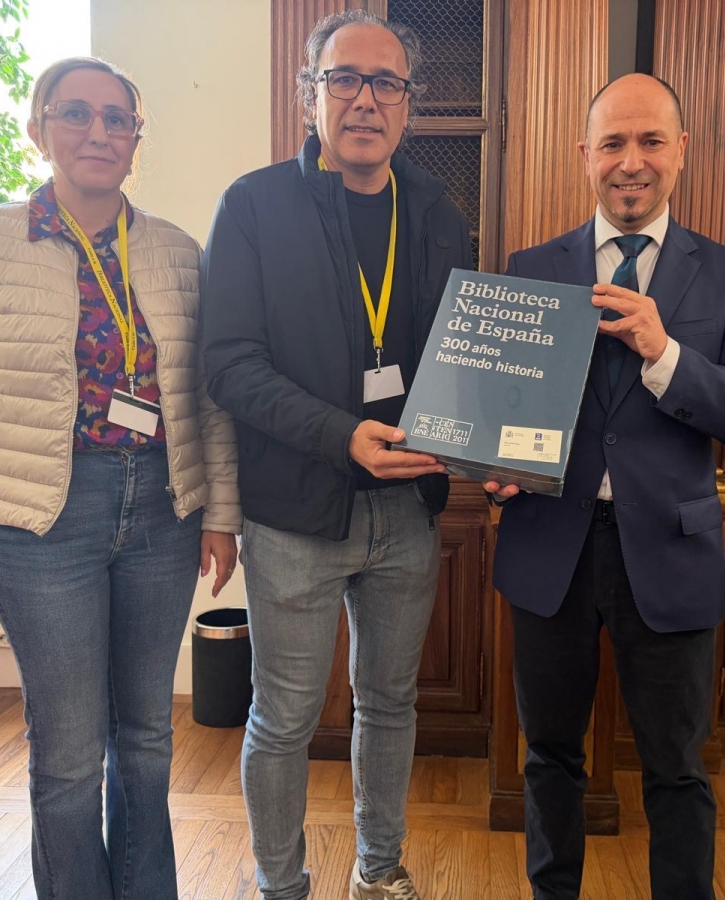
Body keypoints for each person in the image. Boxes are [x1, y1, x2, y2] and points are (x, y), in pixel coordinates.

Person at [0, 57, 241, 900]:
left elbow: (208, 398)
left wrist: (219, 514)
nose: (99, 132)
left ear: (137, 140)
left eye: (118, 119)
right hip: (40, 525)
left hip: (162, 511)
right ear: (39, 128)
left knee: (146, 739)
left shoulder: (173, 251)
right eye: (76, 113)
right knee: (66, 753)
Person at [486, 74, 725, 900]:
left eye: (650, 141)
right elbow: (498, 413)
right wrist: (493, 466)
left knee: (677, 771)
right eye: (613, 143)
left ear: (681, 152)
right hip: (551, 549)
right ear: (584, 156)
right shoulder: (530, 269)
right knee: (549, 757)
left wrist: (667, 357)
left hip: (670, 554)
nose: (631, 162)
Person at [201, 10, 472, 900]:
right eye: (343, 80)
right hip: (295, 512)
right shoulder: (253, 205)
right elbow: (230, 364)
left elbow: (458, 358)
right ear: (308, 94)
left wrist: (490, 435)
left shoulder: (434, 212)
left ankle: (379, 873)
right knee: (282, 718)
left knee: (390, 706)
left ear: (408, 105)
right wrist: (337, 434)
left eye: (385, 83)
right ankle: (281, 885)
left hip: (406, 511)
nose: (365, 99)